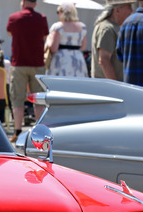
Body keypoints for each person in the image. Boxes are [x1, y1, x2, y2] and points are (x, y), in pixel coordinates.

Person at [6, 0, 49, 143]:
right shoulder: (42, 18)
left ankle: (17, 131)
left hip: (19, 64)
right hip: (37, 63)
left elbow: (10, 33)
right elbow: (44, 38)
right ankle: (40, 133)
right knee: (39, 100)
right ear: (35, 3)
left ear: (23, 2)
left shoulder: (14, 18)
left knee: (17, 98)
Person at [91, 0, 134, 80]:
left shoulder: (113, 27)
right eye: (128, 6)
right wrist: (116, 86)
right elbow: (104, 60)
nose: (131, 11)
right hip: (107, 88)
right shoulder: (107, 28)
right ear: (117, 10)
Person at [45, 2, 88, 77]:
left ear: (62, 13)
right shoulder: (82, 27)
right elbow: (83, 47)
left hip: (61, 60)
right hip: (77, 59)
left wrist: (48, 39)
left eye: (58, 12)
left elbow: (53, 48)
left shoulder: (58, 27)